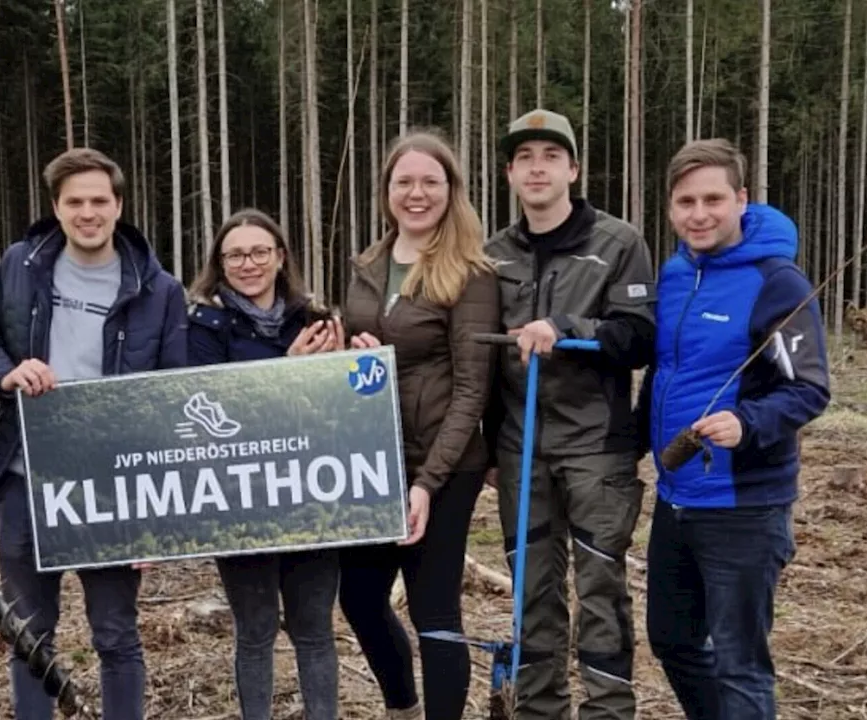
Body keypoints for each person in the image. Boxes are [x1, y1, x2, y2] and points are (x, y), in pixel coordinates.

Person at [0, 147, 189, 720]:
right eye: (75, 202)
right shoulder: (20, 265)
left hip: (114, 484)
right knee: (29, 632)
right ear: (56, 208)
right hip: (25, 473)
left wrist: (155, 513)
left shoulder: (159, 290)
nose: (87, 213)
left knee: (116, 634)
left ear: (119, 206)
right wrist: (5, 373)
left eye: (98, 200)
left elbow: (172, 399)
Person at [638, 138, 829, 720]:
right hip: (677, 496)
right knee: (672, 640)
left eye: (713, 199)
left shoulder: (778, 283)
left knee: (740, 662)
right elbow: (663, 371)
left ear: (742, 199)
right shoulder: (674, 275)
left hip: (744, 504)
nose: (699, 214)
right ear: (670, 207)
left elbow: (810, 388)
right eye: (685, 201)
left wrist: (747, 423)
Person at [482, 108, 655, 720]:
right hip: (518, 448)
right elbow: (477, 360)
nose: (537, 168)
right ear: (508, 173)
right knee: (533, 591)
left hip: (596, 448)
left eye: (550, 156)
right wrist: (487, 452)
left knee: (601, 590)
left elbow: (639, 336)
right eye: (524, 158)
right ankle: (538, 709)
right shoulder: (491, 254)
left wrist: (567, 329)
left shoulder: (618, 242)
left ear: (572, 169)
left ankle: (608, 710)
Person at [337, 129, 498, 720]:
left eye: (430, 181)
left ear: (450, 190)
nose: (416, 193)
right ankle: (403, 707)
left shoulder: (471, 272)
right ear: (386, 191)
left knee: (435, 613)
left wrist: (428, 484)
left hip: (442, 463)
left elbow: (472, 387)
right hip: (372, 458)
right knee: (358, 596)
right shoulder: (368, 265)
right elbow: (362, 359)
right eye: (404, 181)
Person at [186, 208, 345, 720]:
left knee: (314, 629)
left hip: (310, 495)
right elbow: (210, 409)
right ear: (219, 263)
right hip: (241, 502)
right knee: (254, 631)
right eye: (235, 254)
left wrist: (344, 364)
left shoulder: (315, 319)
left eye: (259, 252)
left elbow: (338, 409)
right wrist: (287, 371)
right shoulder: (202, 325)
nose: (247, 263)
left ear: (280, 257)